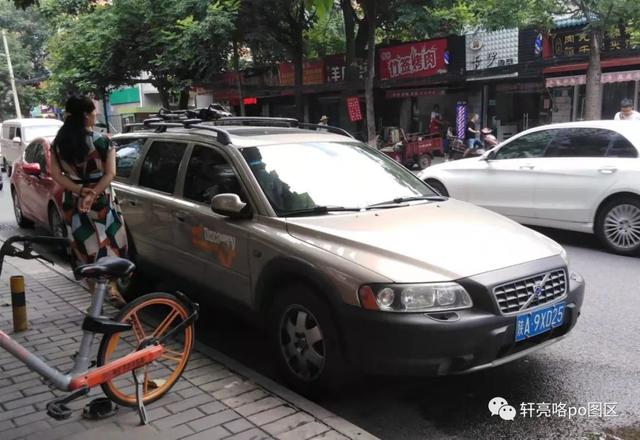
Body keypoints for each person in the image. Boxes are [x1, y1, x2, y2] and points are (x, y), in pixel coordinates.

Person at [50, 96, 128, 307]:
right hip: (101, 202)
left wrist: (80, 190)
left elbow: (56, 174)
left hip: (74, 202)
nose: (96, 115)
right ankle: (110, 287)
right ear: (85, 114)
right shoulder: (102, 141)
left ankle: (95, 299)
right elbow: (110, 173)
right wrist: (93, 193)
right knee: (110, 244)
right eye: (94, 111)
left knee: (84, 248)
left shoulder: (58, 144)